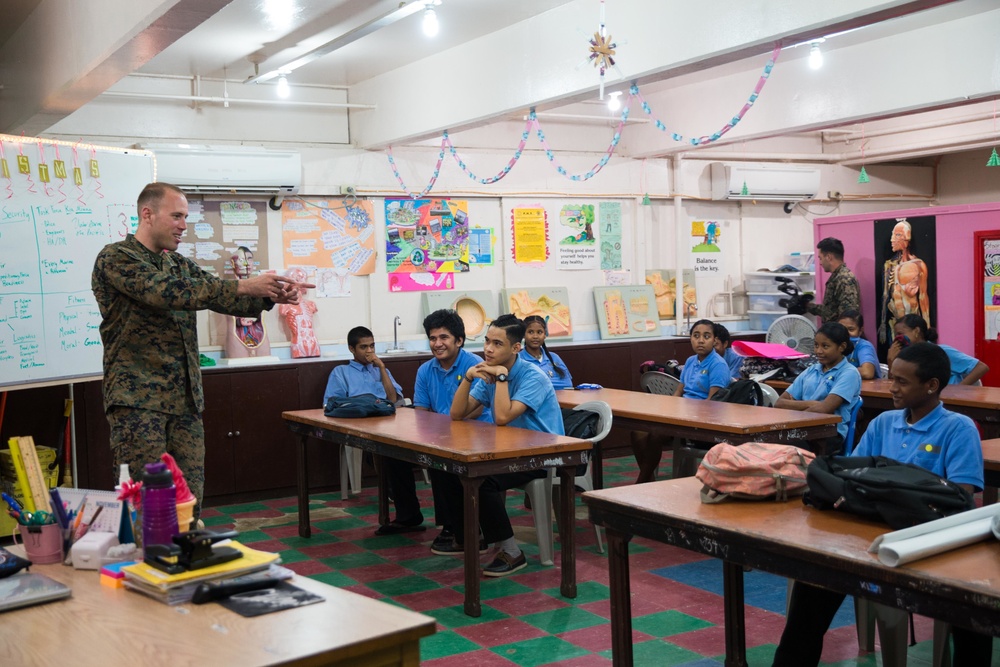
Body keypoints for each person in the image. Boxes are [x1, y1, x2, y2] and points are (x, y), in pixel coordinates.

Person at [92, 182, 309, 518]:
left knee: (188, 501)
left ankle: (188, 562)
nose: (183, 225)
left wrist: (270, 295)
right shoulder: (116, 258)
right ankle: (145, 568)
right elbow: (164, 292)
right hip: (138, 402)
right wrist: (242, 284)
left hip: (185, 401)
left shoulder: (178, 264)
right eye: (177, 216)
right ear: (147, 214)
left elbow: (217, 294)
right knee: (146, 504)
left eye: (186, 217)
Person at [773, 343, 989, 666]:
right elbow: (852, 475)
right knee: (813, 585)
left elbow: (960, 496)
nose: (892, 387)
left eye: (902, 381)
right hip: (867, 533)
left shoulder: (958, 429)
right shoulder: (883, 423)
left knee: (973, 608)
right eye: (893, 379)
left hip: (927, 542)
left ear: (931, 386)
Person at [439, 314, 564, 576]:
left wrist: (502, 379)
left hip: (541, 455)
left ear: (515, 347)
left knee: (482, 480)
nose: (488, 349)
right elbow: (457, 414)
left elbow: (503, 417)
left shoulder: (534, 377)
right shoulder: (489, 371)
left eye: (497, 344)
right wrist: (470, 377)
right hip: (508, 452)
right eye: (486, 341)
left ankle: (512, 552)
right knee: (452, 470)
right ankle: (472, 537)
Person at [379, 309, 489, 544]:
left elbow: (478, 409)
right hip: (440, 433)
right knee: (392, 453)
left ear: (459, 340)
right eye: (432, 338)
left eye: (444, 338)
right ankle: (408, 516)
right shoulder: (425, 370)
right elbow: (421, 412)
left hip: (478, 433)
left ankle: (453, 526)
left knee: (442, 459)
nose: (437, 344)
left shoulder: (475, 365)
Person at [632, 319, 731, 484]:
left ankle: (640, 482)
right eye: (696, 335)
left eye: (706, 336)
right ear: (690, 338)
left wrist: (685, 414)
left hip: (701, 420)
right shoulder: (692, 361)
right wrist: (669, 412)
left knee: (656, 434)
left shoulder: (718, 365)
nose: (700, 340)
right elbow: (679, 391)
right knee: (637, 432)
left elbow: (713, 403)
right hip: (681, 414)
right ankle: (649, 480)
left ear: (714, 340)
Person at [775, 322, 862, 455]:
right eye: (816, 345)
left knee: (785, 448)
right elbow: (779, 403)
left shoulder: (849, 373)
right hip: (802, 428)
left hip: (829, 434)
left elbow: (824, 409)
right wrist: (812, 404)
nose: (818, 351)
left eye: (825, 346)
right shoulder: (812, 370)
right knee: (772, 443)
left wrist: (795, 406)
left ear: (841, 347)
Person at [887, 314, 989, 385]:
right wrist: (891, 361)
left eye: (900, 334)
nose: (897, 338)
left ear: (916, 331)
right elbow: (897, 384)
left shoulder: (940, 352)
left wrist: (959, 389)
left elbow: (981, 367)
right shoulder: (907, 356)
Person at [880, 219, 931, 343]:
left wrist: (927, 329)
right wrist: (882, 324)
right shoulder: (889, 265)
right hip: (895, 323)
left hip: (912, 323)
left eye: (897, 235)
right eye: (893, 235)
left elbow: (923, 297)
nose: (892, 239)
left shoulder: (918, 265)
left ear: (907, 238)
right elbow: (886, 295)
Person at [324, 326, 401, 406]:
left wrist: (381, 366)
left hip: (383, 413)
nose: (369, 351)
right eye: (363, 347)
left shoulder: (381, 371)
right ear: (352, 349)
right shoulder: (341, 372)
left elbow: (393, 400)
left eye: (372, 346)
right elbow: (332, 404)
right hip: (355, 415)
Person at [225, 246, 272, 359]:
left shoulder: (261, 286)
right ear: (233, 263)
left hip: (259, 333)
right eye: (241, 260)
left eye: (250, 259)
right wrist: (240, 321)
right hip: (237, 334)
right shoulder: (227, 289)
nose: (246, 264)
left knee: (265, 367)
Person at [807, 237, 861, 322]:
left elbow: (848, 317)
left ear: (828, 257)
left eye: (820, 258)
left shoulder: (845, 279)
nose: (820, 263)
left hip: (839, 334)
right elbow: (830, 311)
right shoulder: (837, 277)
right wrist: (807, 306)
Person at [519, 315, 574, 389]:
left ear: (545, 334)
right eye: (531, 332)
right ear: (523, 335)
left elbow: (568, 384)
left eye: (539, 332)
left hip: (560, 399)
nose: (535, 336)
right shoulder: (518, 359)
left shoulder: (554, 357)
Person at [278, 267, 320, 358]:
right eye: (296, 279)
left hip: (314, 343)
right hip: (297, 344)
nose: (300, 282)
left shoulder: (311, 304)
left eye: (302, 279)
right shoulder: (285, 306)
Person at [838, 309, 881, 379]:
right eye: (841, 329)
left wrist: (838, 370)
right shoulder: (836, 344)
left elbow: (867, 373)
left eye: (851, 329)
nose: (845, 333)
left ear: (860, 331)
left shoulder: (864, 346)